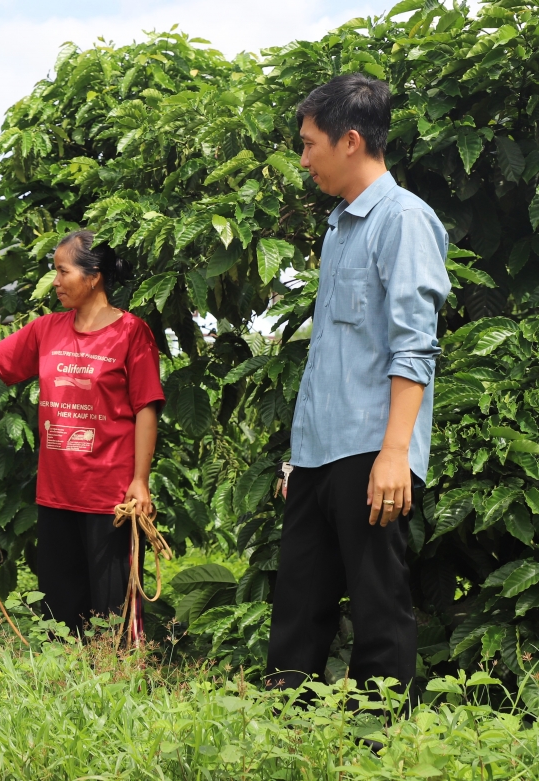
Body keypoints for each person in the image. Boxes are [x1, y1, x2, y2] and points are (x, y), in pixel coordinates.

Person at [265, 74, 450, 695]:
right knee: (296, 607)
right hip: (319, 455)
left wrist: (395, 454)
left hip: (373, 452)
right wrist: (300, 456)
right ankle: (285, 739)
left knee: (378, 609)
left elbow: (413, 346)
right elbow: (331, 357)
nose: (303, 158)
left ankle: (380, 748)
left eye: (309, 143)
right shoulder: (340, 225)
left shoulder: (404, 220)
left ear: (349, 141)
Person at [0, 231, 163, 635]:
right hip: (57, 493)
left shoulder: (131, 333)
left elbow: (146, 409)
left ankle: (118, 686)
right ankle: (66, 690)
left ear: (93, 276)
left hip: (111, 499)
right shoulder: (47, 330)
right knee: (61, 613)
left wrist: (140, 482)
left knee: (113, 616)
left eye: (62, 271)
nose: (55, 281)